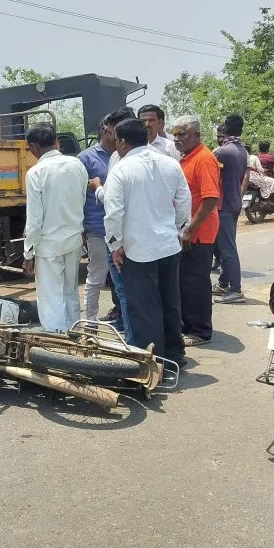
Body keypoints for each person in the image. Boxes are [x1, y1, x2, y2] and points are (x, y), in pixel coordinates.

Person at [103, 119, 191, 365]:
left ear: (122, 141)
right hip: (168, 246)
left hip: (138, 250)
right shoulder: (170, 163)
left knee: (144, 309)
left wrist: (115, 246)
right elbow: (184, 200)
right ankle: (175, 355)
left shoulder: (122, 169)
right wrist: (180, 230)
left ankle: (152, 362)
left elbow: (113, 213)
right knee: (170, 302)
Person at [21, 122, 88, 333]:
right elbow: (82, 201)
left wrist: (28, 253)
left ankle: (56, 343)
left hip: (48, 245)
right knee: (70, 292)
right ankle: (74, 335)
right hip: (73, 239)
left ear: (33, 147)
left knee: (51, 298)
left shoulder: (36, 173)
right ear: (55, 141)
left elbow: (34, 220)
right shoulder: (77, 165)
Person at [90, 106, 139, 340]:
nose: (111, 136)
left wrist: (98, 188)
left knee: (128, 292)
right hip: (143, 239)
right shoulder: (163, 158)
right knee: (136, 293)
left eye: (113, 132)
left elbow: (111, 205)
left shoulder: (120, 160)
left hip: (125, 238)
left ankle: (134, 344)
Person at [172, 116, 220, 347]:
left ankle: (200, 331)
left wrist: (190, 229)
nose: (176, 138)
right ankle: (188, 324)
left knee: (196, 282)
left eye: (182, 134)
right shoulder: (186, 159)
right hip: (188, 230)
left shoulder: (204, 159)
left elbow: (210, 198)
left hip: (198, 231)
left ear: (197, 136)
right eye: (176, 134)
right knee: (185, 281)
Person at [77, 117, 115, 321]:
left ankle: (122, 317)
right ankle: (90, 323)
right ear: (105, 128)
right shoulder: (86, 158)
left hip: (123, 228)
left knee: (122, 280)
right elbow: (78, 196)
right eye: (114, 127)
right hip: (98, 228)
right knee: (96, 278)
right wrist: (82, 226)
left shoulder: (123, 155)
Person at [213, 115, 249, 304]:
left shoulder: (222, 152)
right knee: (226, 246)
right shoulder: (242, 150)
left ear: (225, 130)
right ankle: (224, 283)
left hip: (223, 205)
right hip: (234, 203)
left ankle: (235, 289)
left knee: (227, 249)